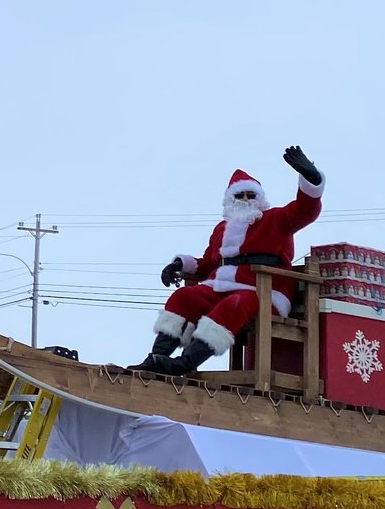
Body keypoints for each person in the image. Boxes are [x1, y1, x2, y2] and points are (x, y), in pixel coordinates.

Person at [135, 146, 324, 378]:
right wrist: (179, 265)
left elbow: (305, 210)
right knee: (184, 297)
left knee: (233, 305)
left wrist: (311, 179)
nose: (245, 200)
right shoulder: (221, 229)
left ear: (260, 199)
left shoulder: (276, 219)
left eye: (250, 195)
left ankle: (184, 363)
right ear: (230, 200)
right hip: (220, 287)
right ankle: (157, 359)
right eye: (239, 196)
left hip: (264, 291)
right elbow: (208, 263)